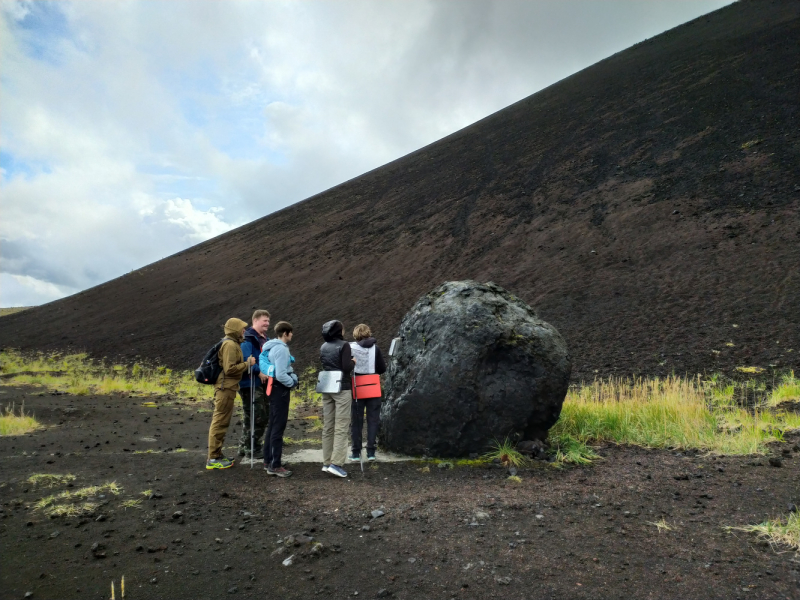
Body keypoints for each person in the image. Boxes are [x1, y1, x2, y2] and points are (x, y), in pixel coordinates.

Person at [207, 318, 256, 469]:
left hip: (228, 387)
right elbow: (230, 369)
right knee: (220, 421)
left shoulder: (232, 343)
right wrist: (247, 364)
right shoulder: (229, 344)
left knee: (222, 421)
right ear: (235, 329)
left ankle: (217, 454)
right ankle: (213, 458)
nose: (244, 331)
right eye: (242, 328)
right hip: (225, 388)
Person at [260, 321, 298, 477]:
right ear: (286, 333)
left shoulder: (271, 346)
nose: (292, 335)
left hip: (273, 388)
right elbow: (281, 374)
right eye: (291, 332)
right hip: (280, 389)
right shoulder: (281, 350)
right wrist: (292, 383)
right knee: (278, 427)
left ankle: (268, 460)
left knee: (273, 424)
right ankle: (275, 466)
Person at [319, 320, 355, 478]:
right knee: (341, 425)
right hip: (342, 386)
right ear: (338, 331)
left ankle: (327, 462)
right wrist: (353, 361)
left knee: (328, 426)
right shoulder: (344, 345)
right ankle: (336, 464)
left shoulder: (323, 346)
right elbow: (346, 367)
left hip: (326, 385)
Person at [348, 324, 387, 462]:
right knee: (373, 420)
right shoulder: (375, 348)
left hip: (358, 388)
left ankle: (355, 453)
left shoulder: (351, 348)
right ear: (369, 333)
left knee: (357, 421)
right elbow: (382, 368)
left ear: (356, 334)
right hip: (373, 387)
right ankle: (371, 452)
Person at [238, 310, 271, 459]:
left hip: (262, 382)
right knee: (256, 415)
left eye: (268, 321)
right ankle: (252, 448)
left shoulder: (265, 339)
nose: (267, 323)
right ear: (255, 320)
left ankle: (245, 446)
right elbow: (247, 358)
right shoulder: (248, 338)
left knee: (255, 415)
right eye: (264, 320)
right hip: (250, 382)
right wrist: (258, 372)